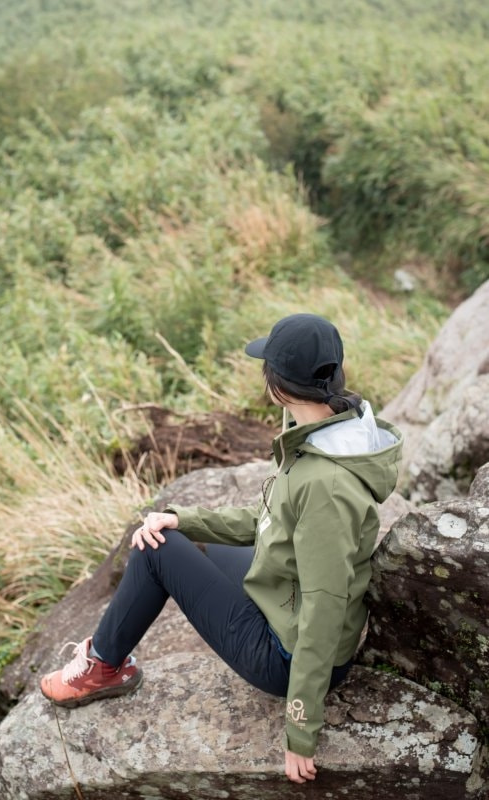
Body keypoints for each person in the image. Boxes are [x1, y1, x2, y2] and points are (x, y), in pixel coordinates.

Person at [40, 313, 403, 784]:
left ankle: (103, 666)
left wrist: (301, 727)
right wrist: (186, 519)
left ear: (279, 387)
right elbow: (266, 520)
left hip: (285, 654)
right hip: (284, 599)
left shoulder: (325, 483)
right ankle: (112, 647)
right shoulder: (331, 431)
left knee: (156, 551)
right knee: (175, 536)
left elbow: (324, 604)